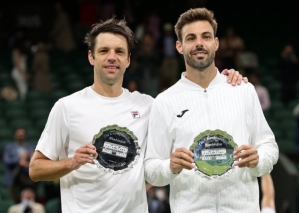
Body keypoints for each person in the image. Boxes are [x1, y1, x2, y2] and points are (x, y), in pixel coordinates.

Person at [29, 16, 246, 213]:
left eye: (119, 52)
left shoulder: (148, 106)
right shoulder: (67, 107)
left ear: (128, 60)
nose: (112, 57)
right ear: (91, 57)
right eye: (104, 51)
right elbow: (35, 169)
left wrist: (224, 80)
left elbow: (192, 112)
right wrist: (71, 163)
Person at [144, 8, 279, 213]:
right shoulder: (164, 102)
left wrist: (259, 159)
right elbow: (151, 169)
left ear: (216, 43)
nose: (199, 43)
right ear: (179, 46)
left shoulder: (243, 90)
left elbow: (270, 147)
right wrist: (169, 167)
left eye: (206, 36)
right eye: (191, 38)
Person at [3, 127, 37, 203]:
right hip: (13, 180)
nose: (20, 135)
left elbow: (36, 161)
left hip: (28, 179)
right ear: (15, 135)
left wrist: (28, 160)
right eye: (18, 134)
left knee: (30, 200)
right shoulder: (9, 147)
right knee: (14, 201)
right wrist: (19, 159)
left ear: (25, 135)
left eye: (22, 134)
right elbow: (6, 161)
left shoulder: (30, 147)